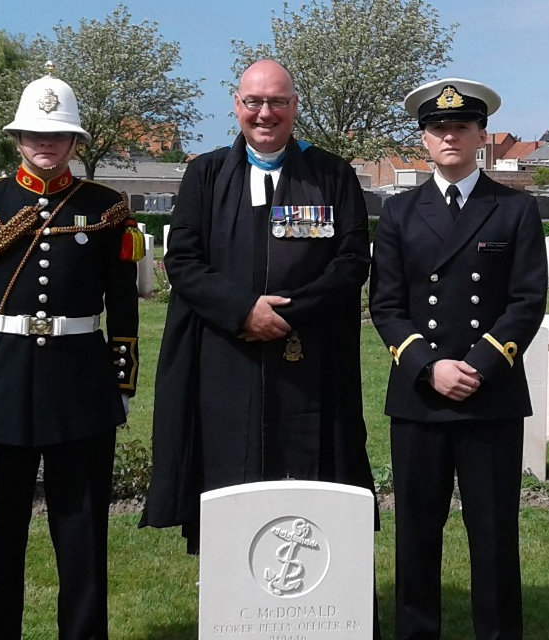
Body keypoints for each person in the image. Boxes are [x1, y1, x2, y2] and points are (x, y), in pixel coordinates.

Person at [0, 66, 140, 640]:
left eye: (56, 135)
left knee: (82, 531)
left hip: (80, 386)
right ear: (18, 139)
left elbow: (123, 308)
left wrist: (119, 383)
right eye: (33, 134)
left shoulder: (105, 207)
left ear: (74, 141)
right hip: (0, 382)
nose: (44, 144)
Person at [141, 59, 376, 551]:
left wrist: (287, 314)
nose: (264, 113)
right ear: (237, 106)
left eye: (277, 102)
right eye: (254, 102)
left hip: (311, 363)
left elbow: (351, 260)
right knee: (227, 478)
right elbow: (182, 260)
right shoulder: (204, 174)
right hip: (227, 359)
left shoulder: (332, 174)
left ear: (294, 107)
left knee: (312, 488)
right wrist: (244, 311)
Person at [369, 78, 548, 640]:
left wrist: (477, 366)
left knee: (493, 532)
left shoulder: (515, 208)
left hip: (489, 395)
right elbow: (386, 304)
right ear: (424, 138)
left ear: (482, 136)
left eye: (461, 127)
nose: (450, 136)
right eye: (439, 128)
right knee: (418, 531)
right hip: (420, 395)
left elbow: (527, 301)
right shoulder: (398, 212)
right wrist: (428, 365)